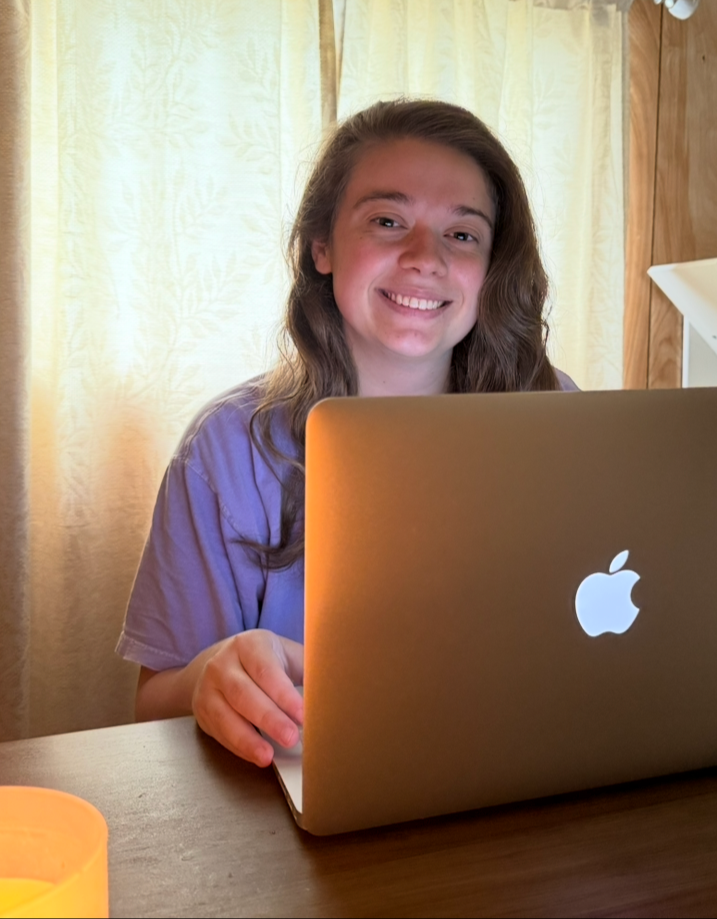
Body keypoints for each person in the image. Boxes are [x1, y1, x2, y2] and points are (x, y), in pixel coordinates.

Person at [118, 99, 576, 767]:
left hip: (529, 769)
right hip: (309, 795)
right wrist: (211, 676)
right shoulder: (225, 449)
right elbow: (151, 705)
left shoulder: (556, 412)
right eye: (388, 221)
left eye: (462, 234)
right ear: (322, 246)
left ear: (491, 265)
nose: (425, 258)